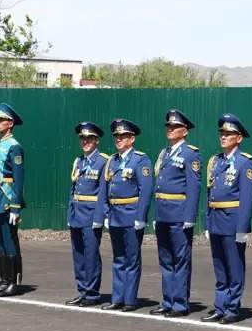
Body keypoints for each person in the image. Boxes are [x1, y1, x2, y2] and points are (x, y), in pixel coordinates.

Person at [201, 114, 252, 325]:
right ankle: (219, 306)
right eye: (222, 133)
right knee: (220, 268)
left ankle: (232, 308)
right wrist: (207, 222)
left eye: (229, 133)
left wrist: (243, 228)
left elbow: (247, 197)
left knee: (234, 267)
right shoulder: (215, 162)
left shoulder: (245, 163)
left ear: (239, 137)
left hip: (232, 222)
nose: (223, 137)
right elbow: (210, 194)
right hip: (216, 220)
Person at [96, 119, 153, 312]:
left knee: (131, 258)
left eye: (123, 136)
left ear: (132, 138)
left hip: (131, 214)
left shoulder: (140, 159)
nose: (119, 139)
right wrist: (105, 213)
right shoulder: (112, 161)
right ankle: (117, 297)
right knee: (118, 258)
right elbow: (104, 189)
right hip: (115, 215)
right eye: (117, 136)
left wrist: (141, 216)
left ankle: (130, 300)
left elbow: (145, 190)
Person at [150, 109, 202, 318]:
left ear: (185, 131)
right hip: (163, 213)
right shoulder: (164, 153)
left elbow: (194, 187)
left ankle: (180, 304)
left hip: (179, 214)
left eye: (175, 127)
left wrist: (190, 217)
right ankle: (167, 300)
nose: (170, 130)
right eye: (168, 127)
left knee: (180, 260)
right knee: (165, 260)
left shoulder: (190, 154)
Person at [65, 121, 109, 307]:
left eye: (89, 138)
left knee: (90, 254)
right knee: (78, 255)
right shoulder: (79, 161)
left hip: (91, 215)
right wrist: (70, 214)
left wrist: (100, 217)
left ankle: (92, 293)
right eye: (83, 138)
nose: (85, 141)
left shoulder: (103, 161)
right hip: (77, 214)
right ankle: (82, 290)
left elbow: (103, 193)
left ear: (97, 140)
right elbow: (73, 190)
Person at [0, 103, 25, 298]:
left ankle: (13, 282)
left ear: (10, 123)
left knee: (9, 241)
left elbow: (18, 179)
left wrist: (16, 207)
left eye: (1, 120)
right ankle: (3, 281)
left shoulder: (14, 147)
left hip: (7, 199)